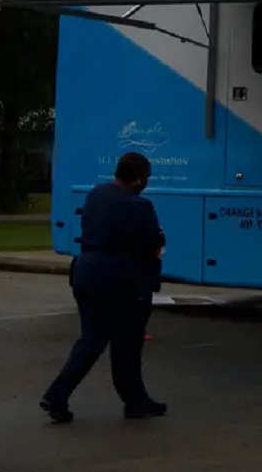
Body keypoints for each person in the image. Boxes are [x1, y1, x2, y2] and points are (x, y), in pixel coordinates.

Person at [40, 151, 169, 422]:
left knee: (90, 341)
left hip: (86, 273)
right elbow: (153, 240)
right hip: (123, 281)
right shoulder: (139, 206)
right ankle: (135, 402)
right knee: (127, 345)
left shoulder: (96, 194)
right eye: (145, 178)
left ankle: (57, 395)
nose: (146, 184)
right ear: (136, 179)